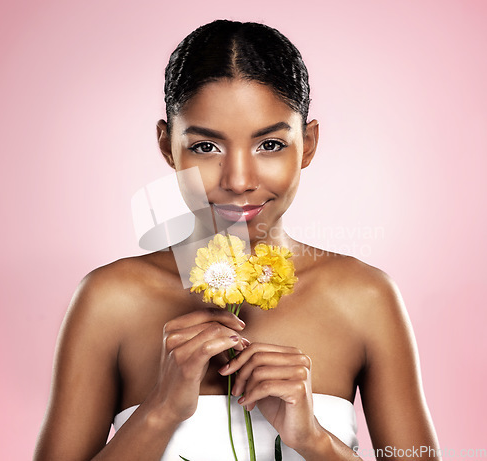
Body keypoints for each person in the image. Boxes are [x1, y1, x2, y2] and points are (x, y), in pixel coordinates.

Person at [34, 20, 440, 460]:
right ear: (168, 146)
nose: (239, 180)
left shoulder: (365, 297)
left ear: (308, 143)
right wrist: (161, 410)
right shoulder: (110, 300)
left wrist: (313, 440)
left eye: (269, 145)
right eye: (207, 147)